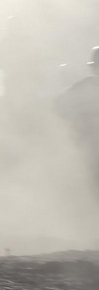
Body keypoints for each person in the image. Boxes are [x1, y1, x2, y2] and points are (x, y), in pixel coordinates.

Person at [55, 46, 99, 190]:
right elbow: (60, 106)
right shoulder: (83, 87)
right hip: (90, 144)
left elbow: (60, 106)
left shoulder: (83, 86)